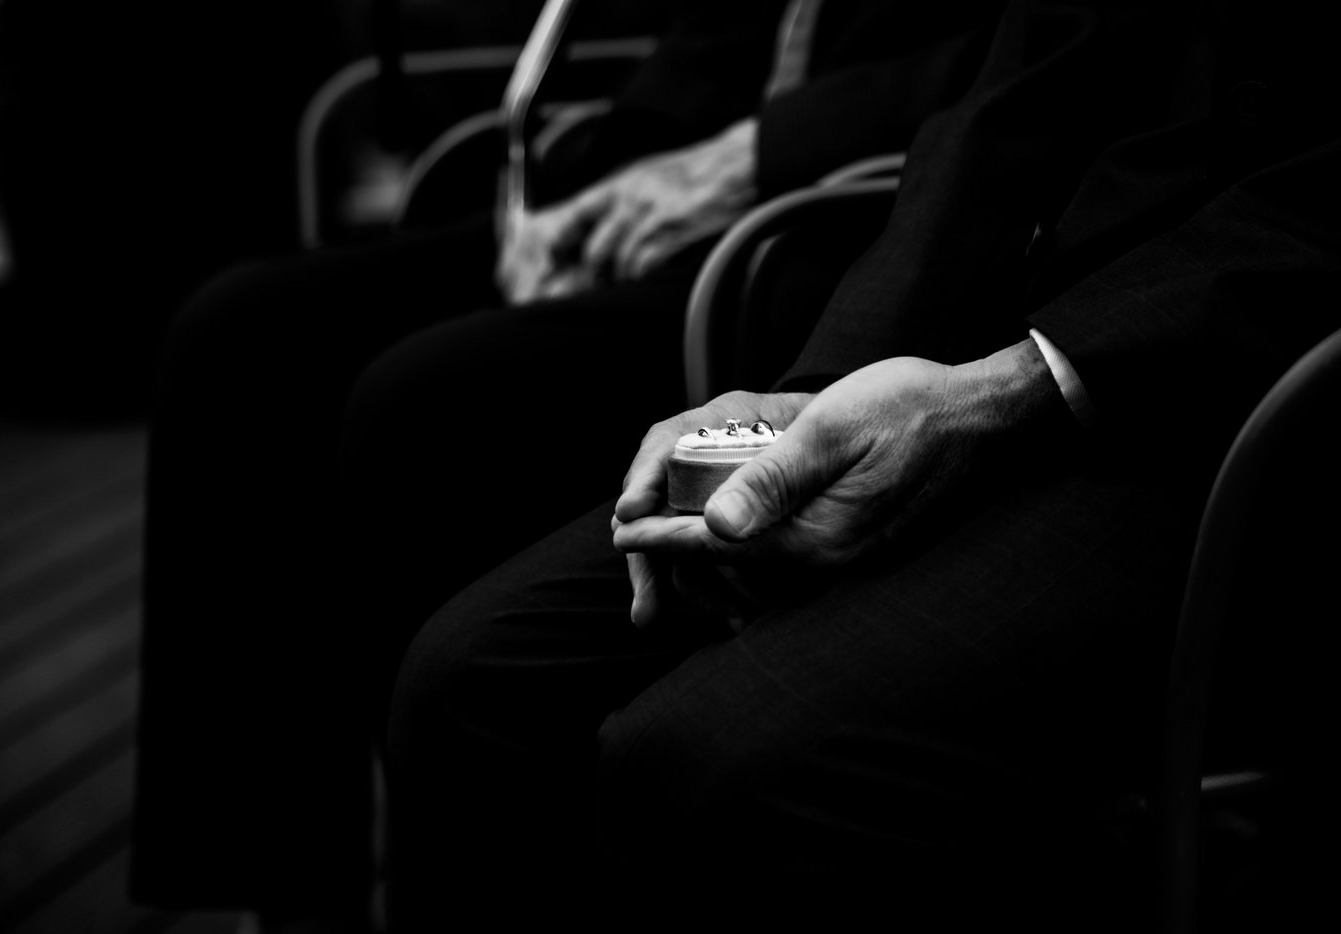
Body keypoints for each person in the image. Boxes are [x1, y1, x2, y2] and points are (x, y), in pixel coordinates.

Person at [381, 0, 1341, 928]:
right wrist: (838, 378)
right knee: (475, 676)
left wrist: (1030, 381)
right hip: (1018, 326)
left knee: (718, 760)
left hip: (1256, 402)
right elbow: (1027, 77)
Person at [128, 2, 1006, 931]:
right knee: (239, 338)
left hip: (829, 212)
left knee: (422, 404)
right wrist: (603, 173)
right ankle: (290, 889)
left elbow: (1025, 59)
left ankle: (439, 872)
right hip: (661, 179)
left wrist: (760, 151)